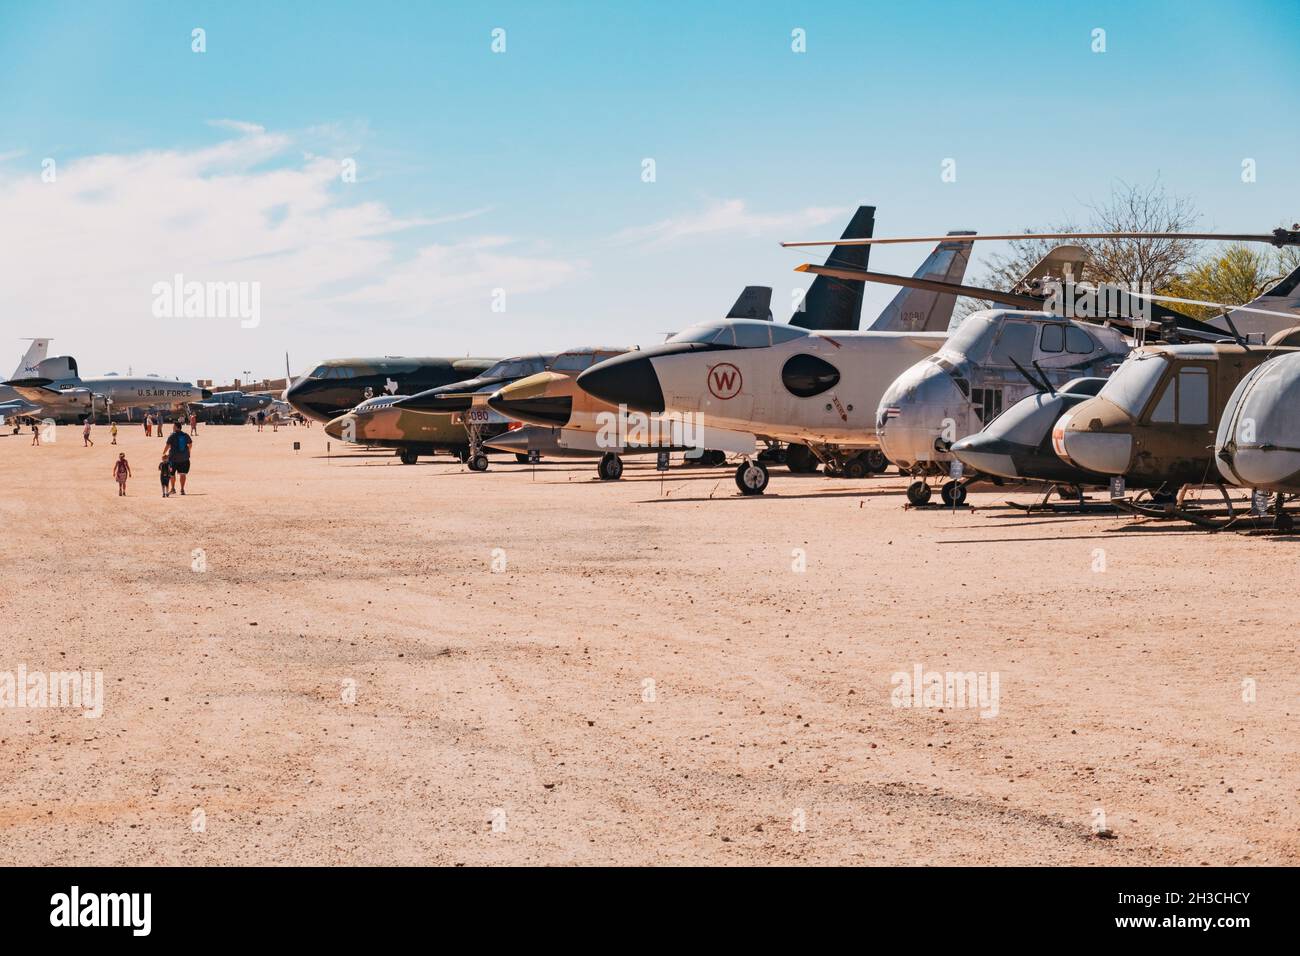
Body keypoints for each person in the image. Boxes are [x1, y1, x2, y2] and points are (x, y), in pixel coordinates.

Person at [164, 421, 194, 495]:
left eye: (173, 426)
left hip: (173, 459)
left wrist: (164, 453)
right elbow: (190, 444)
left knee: (172, 474)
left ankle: (173, 489)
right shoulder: (185, 435)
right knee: (182, 474)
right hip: (184, 458)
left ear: (176, 427)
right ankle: (182, 490)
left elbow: (167, 446)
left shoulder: (172, 436)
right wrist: (188, 452)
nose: (173, 427)